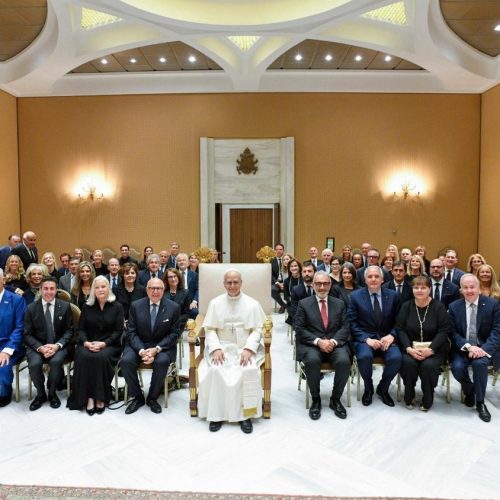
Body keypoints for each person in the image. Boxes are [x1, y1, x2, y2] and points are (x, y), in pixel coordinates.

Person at [198, 269, 267, 434]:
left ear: (241, 283)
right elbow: (210, 329)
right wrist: (215, 348)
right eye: (229, 282)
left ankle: (245, 416)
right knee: (215, 370)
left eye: (236, 282)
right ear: (224, 284)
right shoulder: (215, 303)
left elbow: (257, 329)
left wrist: (249, 349)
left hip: (244, 347)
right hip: (221, 347)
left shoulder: (252, 304)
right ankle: (216, 415)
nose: (232, 285)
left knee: (247, 370)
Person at [294, 271, 352, 420]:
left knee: (344, 361)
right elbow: (299, 329)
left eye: (325, 283)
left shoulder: (339, 304)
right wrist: (318, 341)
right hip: (312, 345)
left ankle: (335, 399)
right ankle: (316, 399)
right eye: (318, 284)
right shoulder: (304, 304)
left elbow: (345, 327)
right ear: (313, 285)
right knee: (312, 361)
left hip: (335, 344)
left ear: (330, 285)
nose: (322, 287)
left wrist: (332, 342)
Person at [121, 277, 180, 414]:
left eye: (158, 288)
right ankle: (138, 397)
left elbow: (174, 334)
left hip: (162, 346)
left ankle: (152, 397)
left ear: (163, 290)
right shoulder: (136, 306)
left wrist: (156, 349)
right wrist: (142, 350)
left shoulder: (173, 307)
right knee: (126, 361)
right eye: (152, 288)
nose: (155, 291)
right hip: (139, 344)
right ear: (147, 290)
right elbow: (131, 332)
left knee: (162, 362)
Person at [67, 276, 124, 415]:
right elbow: (80, 329)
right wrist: (86, 343)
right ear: (93, 290)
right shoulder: (87, 306)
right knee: (84, 356)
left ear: (109, 288)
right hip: (88, 343)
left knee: (100, 357)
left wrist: (104, 344)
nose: (100, 290)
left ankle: (100, 397)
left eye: (103, 286)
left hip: (110, 344)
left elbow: (118, 332)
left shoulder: (117, 306)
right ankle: (89, 397)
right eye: (97, 287)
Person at [347, 266, 401, 407]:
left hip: (387, 338)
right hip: (365, 339)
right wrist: (367, 339)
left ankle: (383, 388)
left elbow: (400, 321)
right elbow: (352, 323)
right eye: (370, 276)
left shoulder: (394, 296)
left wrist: (392, 335)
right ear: (365, 280)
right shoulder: (355, 296)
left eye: (377, 276)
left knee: (396, 358)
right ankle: (368, 388)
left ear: (382, 279)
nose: (373, 279)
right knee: (364, 357)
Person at [449, 274, 500, 422]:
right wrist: (469, 347)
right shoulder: (454, 306)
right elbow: (452, 332)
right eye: (465, 287)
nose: (469, 290)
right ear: (461, 290)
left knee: (480, 364)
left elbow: (497, 330)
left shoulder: (493, 304)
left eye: (472, 287)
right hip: (463, 348)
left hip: (484, 347)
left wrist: (483, 349)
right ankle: (470, 390)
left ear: (479, 288)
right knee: (457, 368)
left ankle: (480, 403)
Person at [396, 276, 450, 411]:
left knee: (428, 366)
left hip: (435, 349)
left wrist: (431, 350)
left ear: (429, 289)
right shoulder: (406, 306)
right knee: (408, 363)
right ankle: (409, 394)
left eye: (423, 288)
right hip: (411, 348)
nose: (419, 290)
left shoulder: (438, 307)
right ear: (412, 289)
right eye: (416, 287)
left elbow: (443, 331)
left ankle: (428, 396)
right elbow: (400, 329)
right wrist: (409, 349)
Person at [23, 277, 73, 411]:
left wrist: (57, 346)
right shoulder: (31, 308)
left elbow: (69, 331)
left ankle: (52, 393)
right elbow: (26, 334)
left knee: (56, 362)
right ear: (40, 290)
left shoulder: (65, 306)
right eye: (45, 288)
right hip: (37, 346)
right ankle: (41, 394)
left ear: (56, 290)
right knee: (34, 364)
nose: (49, 292)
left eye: (52, 288)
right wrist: (40, 348)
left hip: (58, 345)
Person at [0, 268, 26, 407]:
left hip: (10, 345)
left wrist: (6, 350)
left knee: (2, 367)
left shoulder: (16, 300)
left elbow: (20, 328)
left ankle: (5, 392)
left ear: (3, 280)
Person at [163, 268, 191, 332]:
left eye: (175, 276)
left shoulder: (185, 292)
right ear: (166, 279)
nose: (173, 279)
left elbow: (186, 314)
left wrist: (174, 323)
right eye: (170, 277)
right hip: (164, 325)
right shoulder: (162, 292)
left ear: (178, 277)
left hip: (179, 325)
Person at [289, 261, 316, 327]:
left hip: (317, 321)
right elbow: (294, 310)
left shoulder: (321, 288)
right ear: (301, 273)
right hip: (302, 322)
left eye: (309, 271)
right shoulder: (295, 289)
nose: (306, 274)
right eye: (304, 271)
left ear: (315, 272)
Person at [175, 253, 199, 318]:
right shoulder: (174, 275)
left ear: (188, 262)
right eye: (179, 260)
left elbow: (198, 289)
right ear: (177, 263)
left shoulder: (194, 275)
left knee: (195, 312)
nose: (182, 262)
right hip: (177, 301)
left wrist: (194, 301)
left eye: (184, 260)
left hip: (190, 302)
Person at [271, 243, 287, 313]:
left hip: (287, 282)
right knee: (272, 290)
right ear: (274, 251)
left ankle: (291, 305)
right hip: (276, 282)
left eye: (280, 249)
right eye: (277, 249)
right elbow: (271, 275)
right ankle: (283, 305)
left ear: (283, 250)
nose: (278, 251)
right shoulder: (271, 261)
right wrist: (277, 282)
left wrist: (285, 283)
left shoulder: (287, 259)